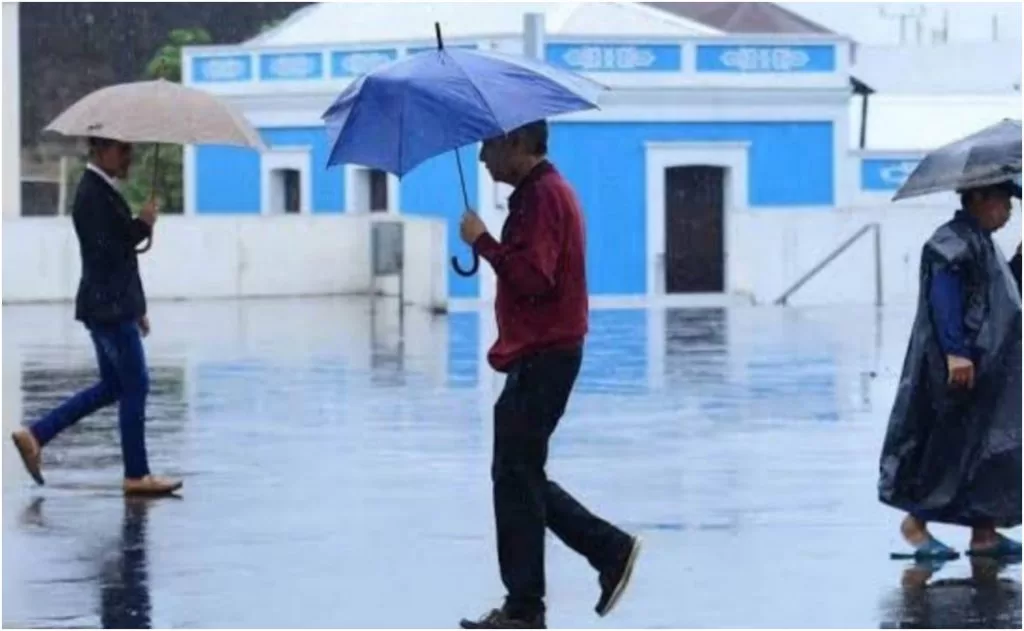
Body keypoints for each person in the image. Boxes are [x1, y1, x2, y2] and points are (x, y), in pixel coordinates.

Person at [457, 120, 641, 629]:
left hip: (545, 354)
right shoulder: (541, 194)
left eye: (488, 146)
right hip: (543, 352)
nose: (482, 159)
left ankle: (539, 597)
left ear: (517, 143)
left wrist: (484, 242)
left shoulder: (541, 199)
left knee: (516, 474)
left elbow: (535, 279)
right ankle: (588, 564)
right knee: (519, 474)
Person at [10, 137, 182, 496]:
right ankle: (137, 474)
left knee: (113, 387)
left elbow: (118, 256)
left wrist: (138, 308)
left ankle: (37, 434)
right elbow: (110, 251)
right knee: (135, 385)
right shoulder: (92, 195)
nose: (128, 157)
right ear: (101, 151)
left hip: (112, 305)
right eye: (122, 150)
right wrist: (144, 224)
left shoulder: (100, 191)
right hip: (109, 308)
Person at [878, 178, 1021, 560]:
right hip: (960, 367)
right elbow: (944, 300)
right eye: (1005, 202)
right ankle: (915, 524)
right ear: (979, 198)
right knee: (949, 448)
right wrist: (956, 353)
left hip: (988, 367)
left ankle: (985, 534)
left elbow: (1000, 295)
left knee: (987, 451)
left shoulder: (979, 242)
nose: (1009, 211)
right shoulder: (952, 241)